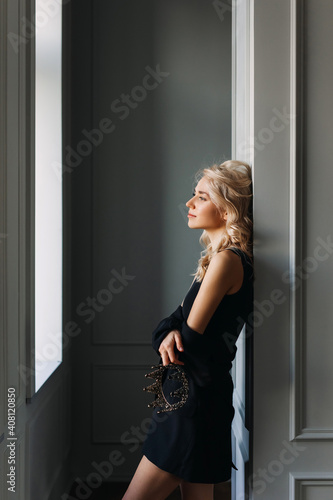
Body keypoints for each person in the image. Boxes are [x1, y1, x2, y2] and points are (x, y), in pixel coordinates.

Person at [122, 160, 254, 500]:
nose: (189, 204)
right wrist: (168, 330)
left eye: (201, 197)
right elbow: (170, 327)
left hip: (191, 406)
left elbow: (186, 341)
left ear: (226, 212)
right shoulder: (218, 259)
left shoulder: (227, 261)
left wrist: (170, 330)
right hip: (196, 399)